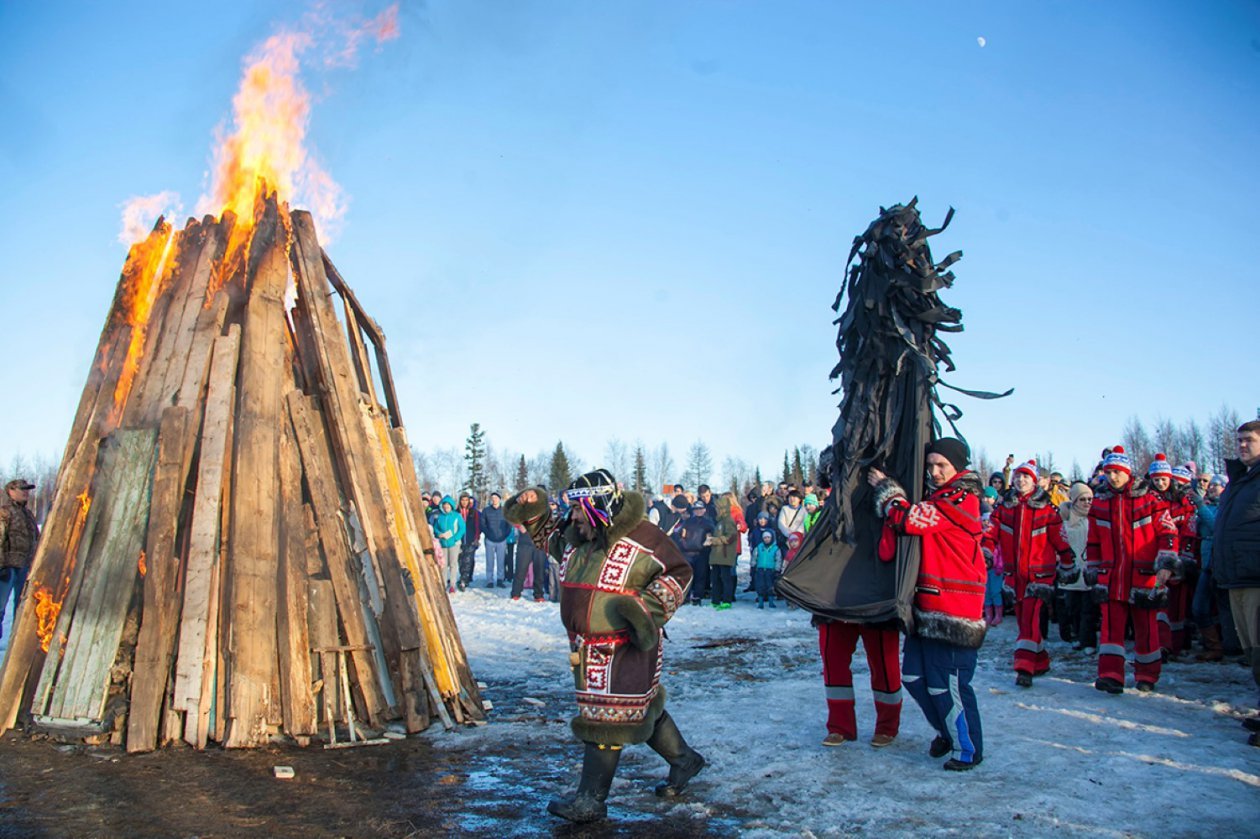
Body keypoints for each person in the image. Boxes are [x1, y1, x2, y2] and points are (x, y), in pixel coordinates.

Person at [505, 470, 703, 822]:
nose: (574, 515)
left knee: (606, 719)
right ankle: (684, 759)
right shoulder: (578, 537)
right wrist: (530, 505)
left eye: (580, 508)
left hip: (625, 645)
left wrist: (643, 611)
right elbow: (544, 533)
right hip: (587, 648)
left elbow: (680, 573)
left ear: (599, 504)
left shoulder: (644, 537)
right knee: (637, 710)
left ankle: (590, 801)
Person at [869, 437, 987, 771]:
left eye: (942, 466)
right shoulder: (940, 494)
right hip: (928, 605)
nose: (934, 472)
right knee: (915, 677)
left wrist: (888, 490)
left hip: (953, 607)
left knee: (948, 683)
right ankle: (946, 732)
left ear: (958, 467)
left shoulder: (961, 498)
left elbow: (908, 519)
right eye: (931, 465)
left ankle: (968, 748)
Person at [1085, 446, 1180, 694]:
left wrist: (1166, 564)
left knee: (1146, 628)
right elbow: (1093, 541)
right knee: (1110, 628)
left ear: (1128, 472)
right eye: (1109, 472)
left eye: (1117, 471)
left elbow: (1168, 533)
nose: (1113, 477)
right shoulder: (1099, 503)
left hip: (1144, 575)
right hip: (1111, 576)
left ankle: (1147, 675)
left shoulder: (1150, 500)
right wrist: (1093, 569)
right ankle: (1110, 675)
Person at [983, 458, 1076, 687]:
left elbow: (1060, 540)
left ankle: (1023, 667)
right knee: (1024, 620)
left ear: (1035, 481)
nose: (1021, 480)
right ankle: (1041, 661)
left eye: (1026, 476)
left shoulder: (1047, 510)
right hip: (1014, 575)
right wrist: (986, 551)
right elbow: (991, 532)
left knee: (1031, 618)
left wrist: (1067, 563)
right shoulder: (1005, 508)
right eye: (1018, 476)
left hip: (1040, 575)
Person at [1212, 420, 1260, 745]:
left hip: (1257, 577)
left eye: (1250, 440)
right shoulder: (1239, 480)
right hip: (1236, 578)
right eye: (1239, 440)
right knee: (1253, 651)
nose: (1242, 445)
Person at [1192, 474, 1230, 661]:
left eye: (1217, 485)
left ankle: (1225, 647)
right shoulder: (1210, 506)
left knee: (1211, 607)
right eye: (1212, 485)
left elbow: (1216, 526)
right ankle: (1214, 646)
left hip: (1218, 563)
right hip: (1205, 562)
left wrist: (1200, 506)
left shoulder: (1226, 507)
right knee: (1201, 607)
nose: (1212, 487)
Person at [1058, 482, 1097, 651]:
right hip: (1071, 571)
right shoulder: (1064, 520)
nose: (1087, 503)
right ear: (1074, 501)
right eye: (1083, 499)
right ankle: (1075, 636)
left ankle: (1088, 641)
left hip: (1088, 569)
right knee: (1072, 607)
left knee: (1089, 610)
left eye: (1090, 499)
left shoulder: (1094, 519)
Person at [0, 478, 39, 634]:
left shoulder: (28, 515)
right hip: (8, 568)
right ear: (11, 491)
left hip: (25, 568)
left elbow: (37, 538)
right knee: (0, 606)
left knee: (21, 607)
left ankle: (16, 641)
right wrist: (1, 566)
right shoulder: (4, 512)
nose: (26, 492)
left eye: (27, 489)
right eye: (22, 489)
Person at [677, 501, 714, 606]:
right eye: (696, 509)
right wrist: (682, 540)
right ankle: (686, 596)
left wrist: (708, 542)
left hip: (701, 553)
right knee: (688, 576)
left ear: (704, 510)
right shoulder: (688, 521)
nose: (698, 511)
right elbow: (679, 533)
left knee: (700, 576)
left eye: (700, 509)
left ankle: (697, 596)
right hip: (687, 552)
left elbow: (713, 535)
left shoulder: (708, 522)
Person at [706, 494, 739, 609]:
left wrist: (714, 540)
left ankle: (726, 600)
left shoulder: (728, 521)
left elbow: (730, 537)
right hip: (716, 556)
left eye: (717, 507)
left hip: (724, 555)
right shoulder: (719, 521)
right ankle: (715, 600)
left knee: (725, 579)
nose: (715, 509)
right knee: (715, 579)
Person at [432, 496, 464, 593]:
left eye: (448, 506)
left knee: (453, 563)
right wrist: (438, 534)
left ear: (451, 506)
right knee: (443, 564)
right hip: (443, 543)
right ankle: (444, 583)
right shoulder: (439, 516)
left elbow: (462, 528)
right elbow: (435, 528)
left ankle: (452, 585)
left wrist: (455, 538)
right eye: (444, 505)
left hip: (454, 543)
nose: (446, 507)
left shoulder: (457, 516)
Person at [481, 492, 512, 589]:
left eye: (496, 498)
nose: (494, 500)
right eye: (492, 498)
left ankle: (500, 579)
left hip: (501, 540)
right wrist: (488, 534)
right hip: (490, 540)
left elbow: (509, 525)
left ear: (499, 499)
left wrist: (504, 535)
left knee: (501, 561)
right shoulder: (486, 510)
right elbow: (482, 524)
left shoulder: (504, 511)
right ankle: (489, 580)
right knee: (489, 561)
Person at [509, 523, 547, 602]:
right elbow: (511, 516)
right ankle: (516, 593)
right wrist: (519, 525)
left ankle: (538, 594)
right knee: (521, 569)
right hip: (525, 542)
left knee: (539, 569)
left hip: (539, 542)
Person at [456, 492, 481, 590]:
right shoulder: (456, 512)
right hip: (459, 540)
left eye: (466, 500)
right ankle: (463, 577)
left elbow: (477, 526)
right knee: (460, 560)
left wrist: (476, 538)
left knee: (468, 561)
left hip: (470, 540)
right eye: (463, 500)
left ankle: (464, 580)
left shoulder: (473, 512)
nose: (464, 502)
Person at [752, 530, 782, 608]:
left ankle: (771, 602)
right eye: (765, 538)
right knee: (760, 585)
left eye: (768, 537)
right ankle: (760, 602)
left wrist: (777, 569)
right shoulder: (759, 547)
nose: (766, 539)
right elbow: (754, 557)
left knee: (770, 586)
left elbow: (778, 559)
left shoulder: (775, 549)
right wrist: (753, 566)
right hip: (760, 569)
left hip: (770, 570)